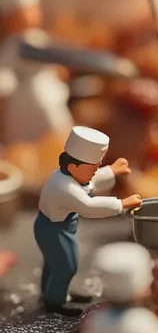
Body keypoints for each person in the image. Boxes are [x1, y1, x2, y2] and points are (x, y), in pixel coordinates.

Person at [34, 126, 140, 316]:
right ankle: (55, 301)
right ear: (74, 166)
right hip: (55, 229)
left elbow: (89, 182)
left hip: (53, 227)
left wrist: (111, 171)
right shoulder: (64, 187)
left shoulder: (70, 176)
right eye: (93, 168)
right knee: (67, 266)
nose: (95, 172)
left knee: (54, 263)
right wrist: (122, 203)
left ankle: (53, 292)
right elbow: (88, 206)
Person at [0, 0, 72, 144]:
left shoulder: (39, 37)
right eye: (25, 11)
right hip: (26, 98)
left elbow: (54, 59)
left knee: (59, 128)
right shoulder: (14, 46)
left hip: (48, 89)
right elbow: (4, 74)